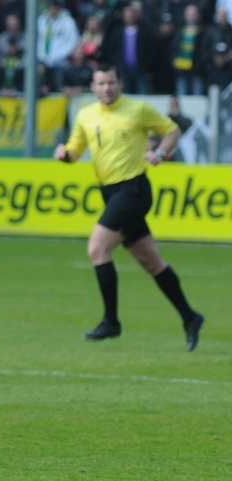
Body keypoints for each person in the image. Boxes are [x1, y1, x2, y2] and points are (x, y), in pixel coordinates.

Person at [53, 64, 204, 351]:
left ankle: (111, 321)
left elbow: (171, 131)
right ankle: (190, 316)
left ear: (120, 83)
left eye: (111, 82)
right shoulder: (86, 114)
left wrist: (160, 152)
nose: (106, 88)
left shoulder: (137, 109)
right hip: (110, 192)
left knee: (97, 249)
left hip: (133, 189)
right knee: (152, 262)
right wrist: (64, 155)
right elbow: (74, 152)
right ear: (93, 87)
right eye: (101, 83)